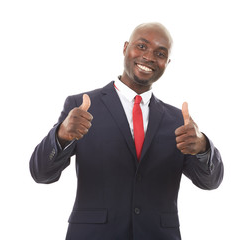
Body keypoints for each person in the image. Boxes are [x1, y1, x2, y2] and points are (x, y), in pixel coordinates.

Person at [30, 22, 224, 240]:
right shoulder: (81, 106)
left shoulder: (179, 121)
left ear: (167, 63)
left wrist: (203, 148)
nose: (149, 57)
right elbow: (41, 173)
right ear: (125, 48)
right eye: (142, 46)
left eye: (160, 53)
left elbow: (210, 182)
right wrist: (61, 136)